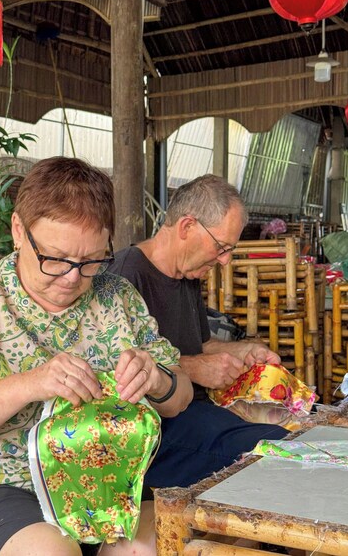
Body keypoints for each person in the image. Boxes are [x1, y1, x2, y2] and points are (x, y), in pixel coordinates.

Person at [0, 156, 193, 556]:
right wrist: (29, 383)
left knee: (160, 541)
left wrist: (157, 379)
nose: (72, 277)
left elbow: (181, 397)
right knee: (50, 551)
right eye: (54, 258)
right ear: (18, 231)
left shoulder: (117, 297)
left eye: (90, 261)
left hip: (104, 478)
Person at [109, 174, 289, 489]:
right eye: (221, 247)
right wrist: (194, 369)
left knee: (300, 431)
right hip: (153, 433)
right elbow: (114, 374)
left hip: (197, 412)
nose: (225, 261)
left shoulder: (188, 274)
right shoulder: (125, 277)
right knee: (277, 450)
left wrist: (244, 350)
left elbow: (201, 345)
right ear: (186, 227)